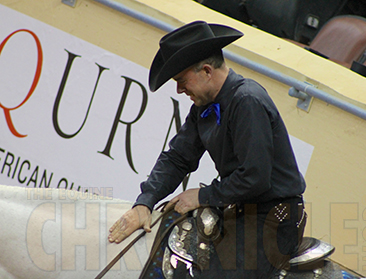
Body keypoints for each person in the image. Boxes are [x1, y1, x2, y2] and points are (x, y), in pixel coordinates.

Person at [108, 20, 307, 278]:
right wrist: (145, 203)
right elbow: (177, 158)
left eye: (181, 80)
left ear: (206, 71)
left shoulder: (248, 101)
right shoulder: (203, 108)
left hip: (273, 220)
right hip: (236, 208)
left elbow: (255, 177)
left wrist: (202, 197)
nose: (179, 89)